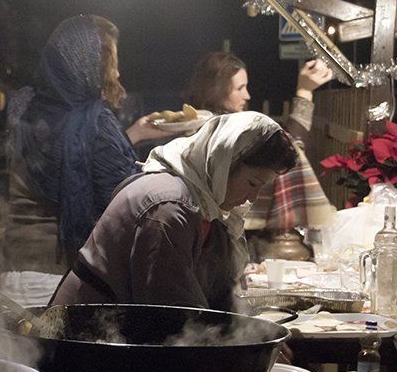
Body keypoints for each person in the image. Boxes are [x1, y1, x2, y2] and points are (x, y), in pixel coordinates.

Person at [51, 111, 298, 310]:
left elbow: (218, 293)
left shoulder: (203, 205)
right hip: (85, 342)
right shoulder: (168, 207)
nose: (251, 198)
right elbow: (172, 312)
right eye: (252, 183)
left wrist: (256, 333)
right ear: (223, 163)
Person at [1, 14, 168, 306]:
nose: (117, 74)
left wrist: (132, 135)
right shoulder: (93, 121)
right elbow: (123, 199)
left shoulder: (26, 106)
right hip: (57, 278)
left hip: (13, 274)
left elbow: (72, 159)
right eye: (113, 62)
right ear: (95, 64)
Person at [185, 52, 335, 246]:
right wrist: (305, 92)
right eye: (240, 88)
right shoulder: (214, 131)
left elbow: (283, 145)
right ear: (216, 89)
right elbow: (287, 148)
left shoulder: (218, 126)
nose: (247, 95)